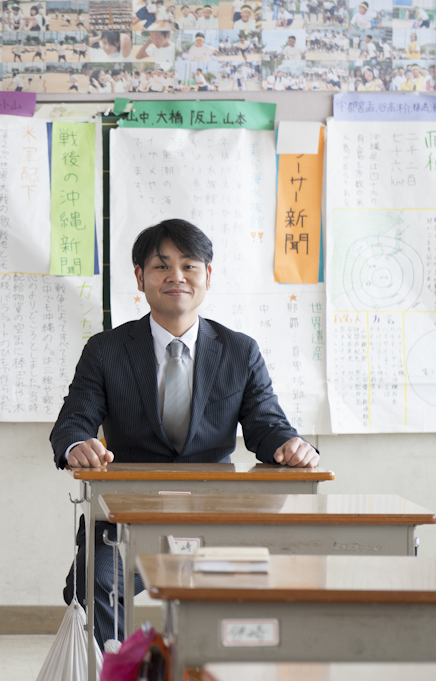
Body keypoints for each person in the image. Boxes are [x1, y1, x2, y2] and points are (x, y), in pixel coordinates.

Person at [50, 220, 318, 649]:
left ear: (207, 275)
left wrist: (291, 444)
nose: (176, 276)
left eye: (189, 265)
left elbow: (267, 424)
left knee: (267, 583)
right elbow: (73, 421)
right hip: (127, 516)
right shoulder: (106, 350)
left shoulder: (239, 350)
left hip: (215, 516)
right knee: (93, 582)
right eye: (162, 266)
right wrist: (77, 443)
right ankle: (121, 670)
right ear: (140, 277)